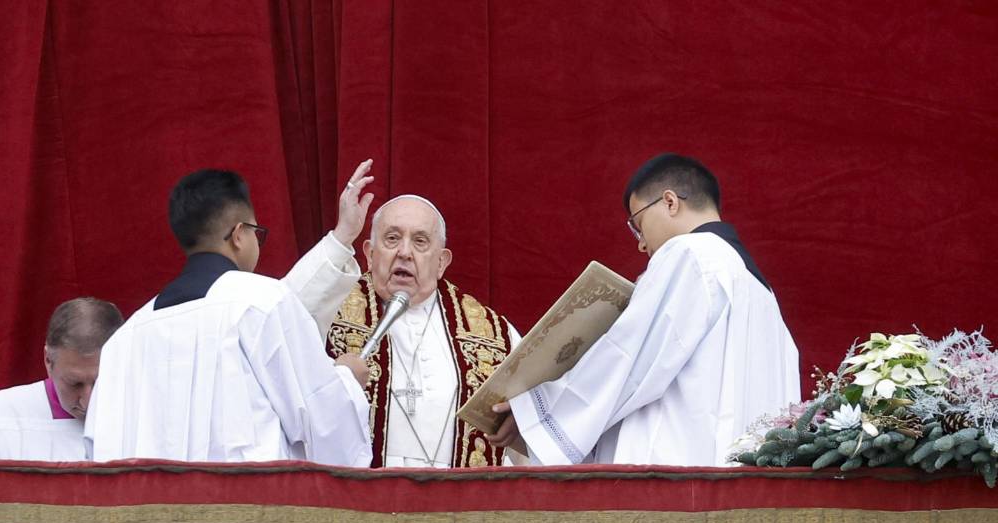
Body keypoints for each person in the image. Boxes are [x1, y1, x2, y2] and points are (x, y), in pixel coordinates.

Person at [488, 153, 800, 466]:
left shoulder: (690, 254)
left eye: (639, 225)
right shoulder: (761, 291)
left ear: (669, 202)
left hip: (675, 481)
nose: (641, 244)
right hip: (742, 485)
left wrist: (537, 417)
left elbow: (628, 357)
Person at [85, 168, 373, 466]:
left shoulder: (125, 338)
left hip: (147, 511)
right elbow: (321, 418)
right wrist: (347, 381)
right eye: (256, 234)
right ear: (239, 235)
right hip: (242, 509)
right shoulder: (261, 302)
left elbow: (101, 454)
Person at [324, 194, 523, 467]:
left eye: (420, 241)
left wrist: (524, 418)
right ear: (370, 254)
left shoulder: (496, 335)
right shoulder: (327, 315)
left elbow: (527, 447)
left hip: (459, 504)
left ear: (441, 262)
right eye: (392, 238)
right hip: (361, 502)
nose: (404, 252)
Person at [0, 298, 123, 461]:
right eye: (74, 383)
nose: (89, 401)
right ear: (48, 360)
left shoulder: (146, 415)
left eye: (101, 383)